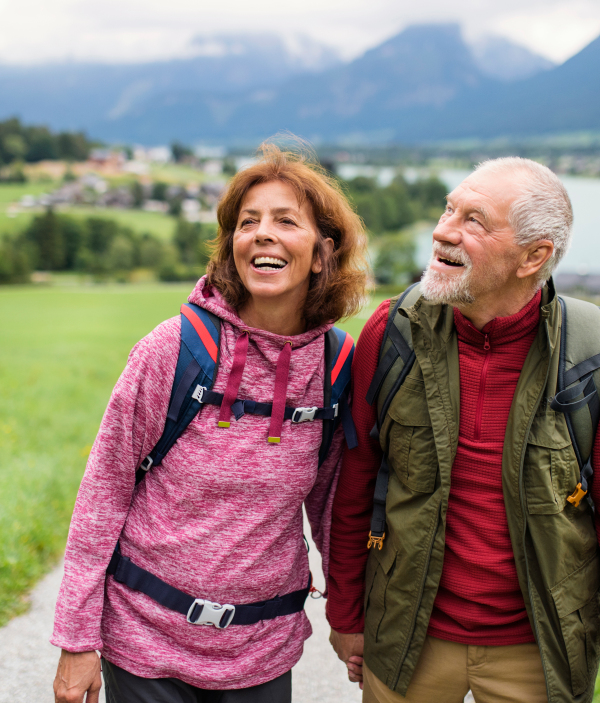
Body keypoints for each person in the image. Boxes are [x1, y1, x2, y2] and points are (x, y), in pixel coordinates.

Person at [51, 143, 368, 703]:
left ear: (322, 253)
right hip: (145, 639)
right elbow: (103, 492)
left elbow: (332, 510)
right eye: (248, 223)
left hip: (262, 649)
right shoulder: (172, 349)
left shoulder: (336, 368)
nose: (262, 234)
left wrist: (350, 615)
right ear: (232, 247)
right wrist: (77, 639)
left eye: (285, 221)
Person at [327, 157, 600, 703]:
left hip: (538, 652)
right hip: (408, 640)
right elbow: (354, 484)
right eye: (449, 208)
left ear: (534, 256)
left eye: (474, 220)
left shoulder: (590, 351)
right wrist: (346, 614)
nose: (442, 230)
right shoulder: (391, 331)